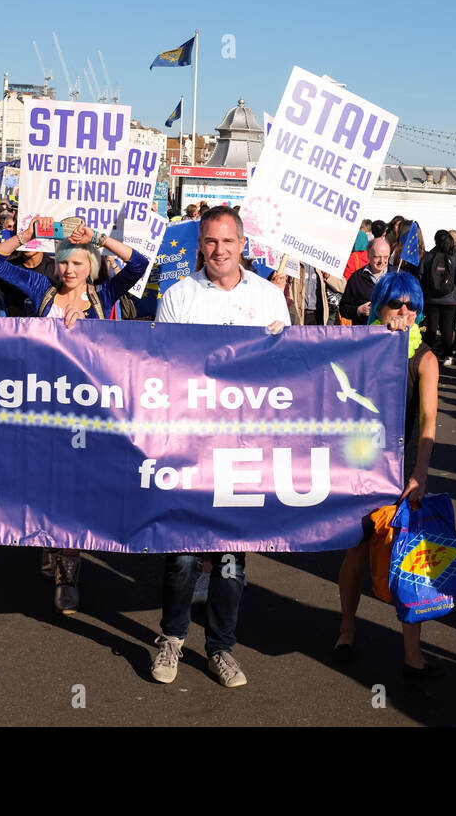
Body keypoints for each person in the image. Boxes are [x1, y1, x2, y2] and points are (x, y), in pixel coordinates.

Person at [149, 206, 289, 688]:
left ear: (242, 245)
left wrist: (279, 344)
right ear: (200, 245)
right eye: (210, 242)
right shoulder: (178, 296)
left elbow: (287, 371)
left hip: (245, 446)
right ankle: (170, 638)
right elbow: (159, 368)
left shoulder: (270, 298)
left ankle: (221, 648)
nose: (218, 250)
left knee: (232, 555)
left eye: (227, 242)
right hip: (190, 442)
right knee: (184, 552)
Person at [0, 216, 150, 611]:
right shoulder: (43, 289)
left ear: (89, 265)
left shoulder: (102, 296)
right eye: (63, 262)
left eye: (77, 263)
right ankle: (50, 545)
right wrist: (26, 236)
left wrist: (98, 239)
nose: (69, 270)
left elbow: (141, 265)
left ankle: (67, 573)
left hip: (89, 411)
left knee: (75, 491)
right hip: (44, 407)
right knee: (46, 486)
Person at [333, 270, 442, 675]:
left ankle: (412, 649)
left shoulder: (425, 358)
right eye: (396, 304)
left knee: (408, 558)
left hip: (402, 469)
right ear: (379, 306)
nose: (404, 312)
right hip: (360, 463)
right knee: (356, 550)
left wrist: (421, 472)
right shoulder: (358, 348)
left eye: (412, 305)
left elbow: (429, 420)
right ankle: (346, 630)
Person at [418, 230, 456, 365]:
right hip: (450, 299)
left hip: (431, 299)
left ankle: (426, 353)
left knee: (432, 326)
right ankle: (448, 355)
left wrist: (425, 293)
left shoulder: (428, 256)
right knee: (447, 327)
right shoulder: (454, 257)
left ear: (435, 241)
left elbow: (421, 276)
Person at [340, 237, 392, 324]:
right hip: (364, 333)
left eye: (385, 257)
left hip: (390, 333)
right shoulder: (356, 278)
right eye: (377, 257)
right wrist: (358, 310)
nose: (382, 261)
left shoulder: (397, 275)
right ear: (368, 255)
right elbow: (343, 308)